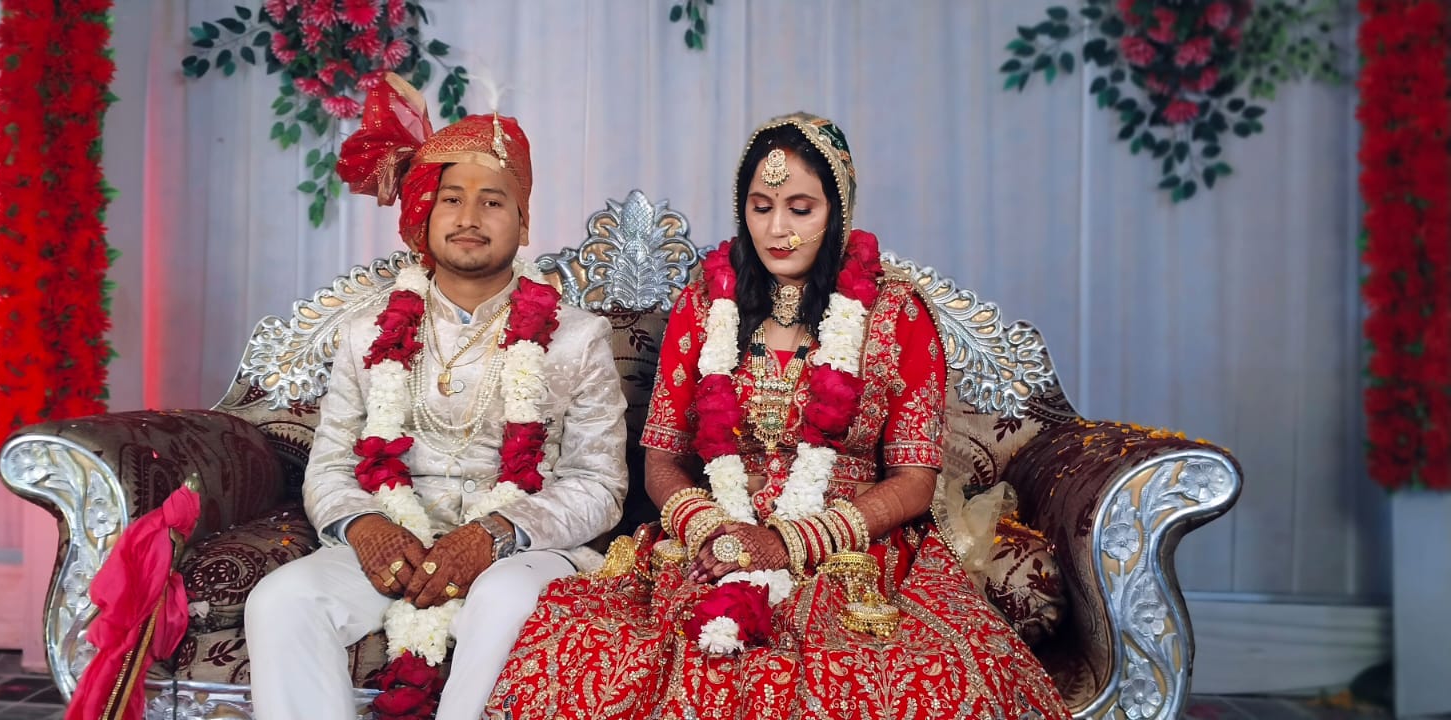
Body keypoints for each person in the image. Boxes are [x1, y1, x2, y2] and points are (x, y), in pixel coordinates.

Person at [481, 112, 1072, 720]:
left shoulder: (897, 313)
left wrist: (789, 540)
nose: (778, 230)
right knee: (603, 652)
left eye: (800, 208)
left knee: (914, 671)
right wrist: (711, 526)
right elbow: (662, 457)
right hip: (713, 535)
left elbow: (916, 480)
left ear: (836, 209)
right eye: (761, 207)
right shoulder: (705, 301)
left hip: (851, 544)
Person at [243, 74, 629, 720]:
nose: (470, 218)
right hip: (396, 542)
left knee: (503, 597)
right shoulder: (368, 333)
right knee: (282, 599)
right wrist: (365, 527)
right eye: (452, 198)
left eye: (493, 202)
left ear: (524, 220)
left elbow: (599, 484)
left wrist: (497, 533)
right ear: (426, 212)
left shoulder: (576, 338)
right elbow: (332, 464)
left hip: (522, 551)